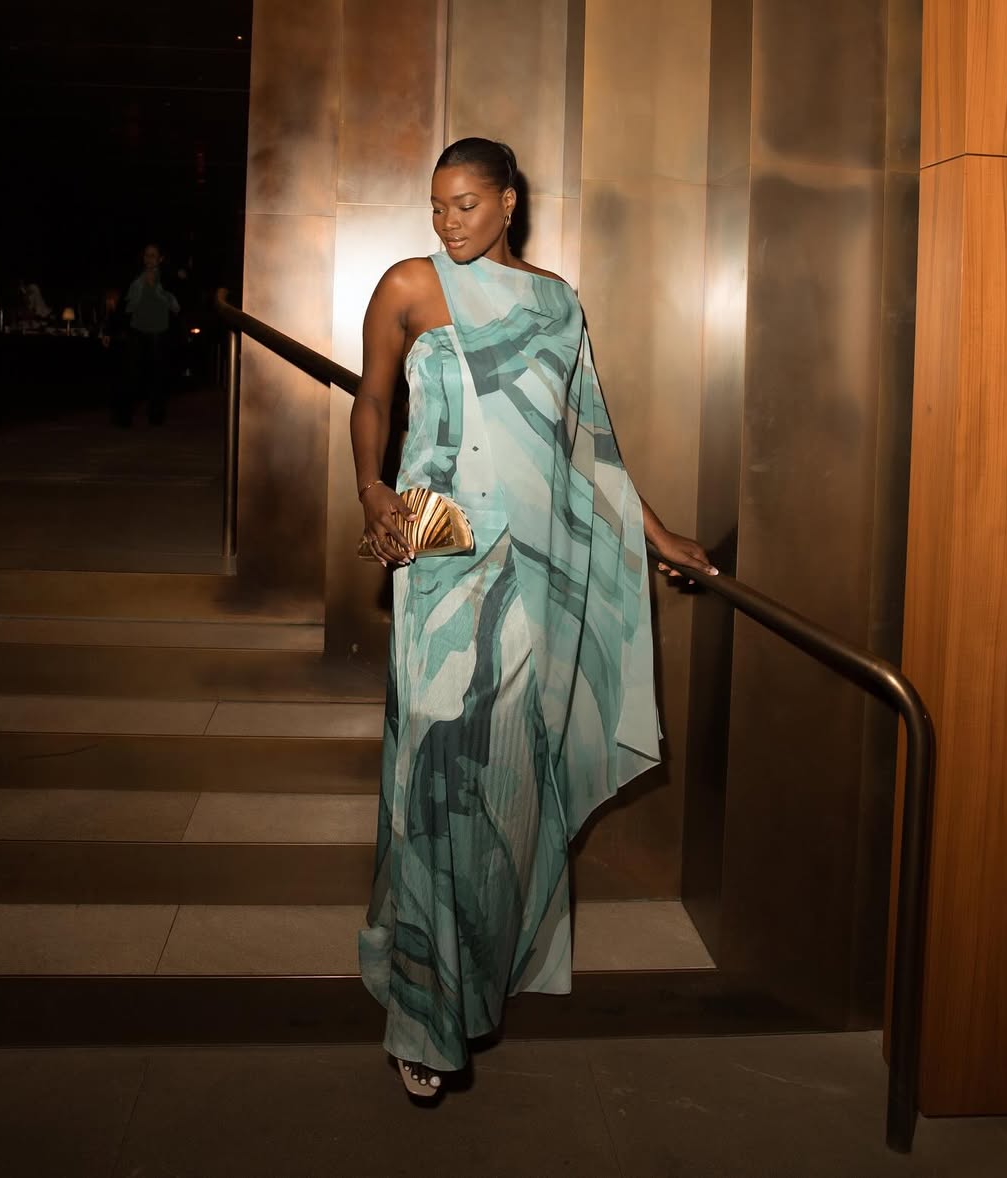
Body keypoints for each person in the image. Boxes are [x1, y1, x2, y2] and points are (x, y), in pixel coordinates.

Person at [351, 137, 717, 1101]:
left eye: (466, 204)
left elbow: (589, 443)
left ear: (508, 201)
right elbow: (373, 397)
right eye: (437, 206)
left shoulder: (557, 304)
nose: (447, 222)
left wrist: (660, 534)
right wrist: (370, 488)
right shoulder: (409, 286)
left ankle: (473, 970)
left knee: (501, 787)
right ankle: (423, 1016)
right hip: (441, 562)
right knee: (434, 772)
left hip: (537, 573)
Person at [118, 243, 180, 426]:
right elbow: (124, 304)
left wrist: (159, 288)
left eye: (153, 255)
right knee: (131, 374)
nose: (149, 259)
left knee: (157, 375)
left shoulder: (167, 279)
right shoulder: (135, 278)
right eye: (146, 255)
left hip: (159, 332)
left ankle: (155, 415)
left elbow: (176, 304)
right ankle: (124, 416)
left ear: (160, 259)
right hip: (137, 330)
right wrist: (113, 329)